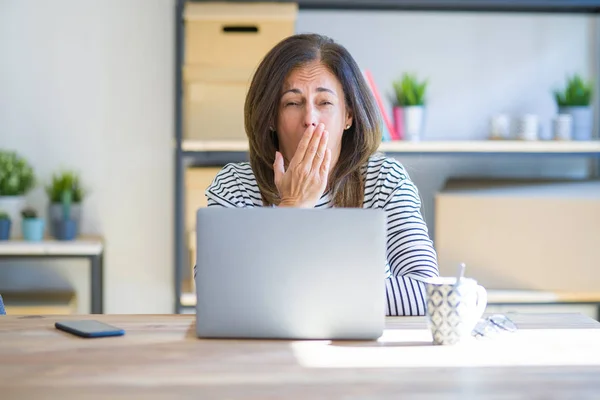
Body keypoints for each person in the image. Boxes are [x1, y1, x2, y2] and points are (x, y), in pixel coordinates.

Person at [198, 33, 439, 316]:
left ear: (348, 115)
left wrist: (295, 293)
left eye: (324, 103)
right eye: (292, 103)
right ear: (271, 118)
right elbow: (214, 294)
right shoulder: (235, 185)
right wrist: (293, 205)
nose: (310, 118)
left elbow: (428, 291)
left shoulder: (384, 180)